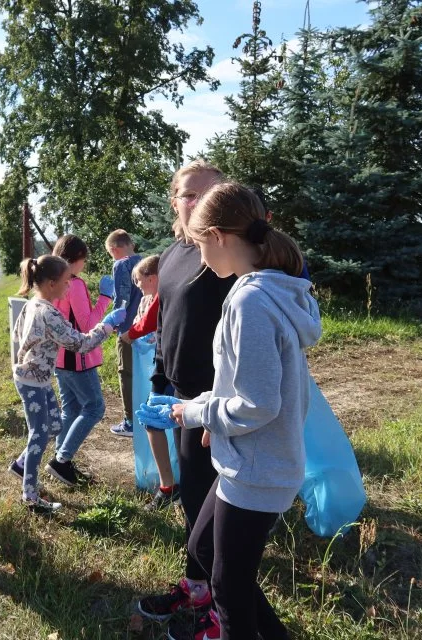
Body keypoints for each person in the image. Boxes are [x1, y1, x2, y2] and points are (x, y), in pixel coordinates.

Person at [159, 182, 320, 640]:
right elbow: (252, 391)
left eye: (198, 241)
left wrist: (200, 414)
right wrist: (213, 416)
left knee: (229, 590)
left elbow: (257, 404)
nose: (197, 253)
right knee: (204, 547)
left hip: (257, 467)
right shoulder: (270, 288)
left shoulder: (250, 301)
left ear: (220, 237)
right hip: (252, 457)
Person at [136, 160, 235, 625]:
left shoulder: (228, 253)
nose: (194, 202)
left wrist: (221, 404)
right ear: (174, 201)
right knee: (194, 496)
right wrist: (160, 379)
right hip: (180, 395)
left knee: (217, 506)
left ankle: (220, 601)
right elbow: (166, 319)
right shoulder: (174, 253)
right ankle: (199, 586)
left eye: (206, 193)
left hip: (218, 401)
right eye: (186, 194)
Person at [10, 255, 126, 512]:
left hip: (34, 377)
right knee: (39, 434)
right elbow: (80, 344)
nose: (69, 286)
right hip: (33, 381)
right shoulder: (49, 313)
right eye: (66, 281)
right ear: (51, 283)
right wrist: (107, 325)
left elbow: (17, 335)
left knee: (54, 425)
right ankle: (30, 495)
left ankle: (21, 464)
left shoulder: (32, 304)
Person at [48, 235, 114, 486]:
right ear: (74, 260)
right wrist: (106, 300)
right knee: (95, 408)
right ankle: (62, 460)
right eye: (84, 260)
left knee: (71, 410)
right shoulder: (73, 284)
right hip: (78, 357)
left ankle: (61, 462)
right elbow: (88, 325)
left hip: (60, 357)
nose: (84, 266)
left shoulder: (52, 282)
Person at [121, 255, 178, 510]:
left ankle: (169, 486)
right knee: (175, 421)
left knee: (153, 420)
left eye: (140, 281)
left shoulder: (166, 287)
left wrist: (130, 335)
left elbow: (150, 319)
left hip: (170, 364)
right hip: (170, 362)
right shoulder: (174, 277)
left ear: (152, 277)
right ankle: (179, 482)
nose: (139, 286)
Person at [105, 229, 143, 437]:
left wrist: (114, 324)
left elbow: (122, 300)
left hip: (128, 328)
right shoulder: (147, 261)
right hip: (147, 327)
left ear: (114, 249)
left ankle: (130, 421)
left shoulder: (121, 265)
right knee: (143, 373)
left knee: (126, 373)